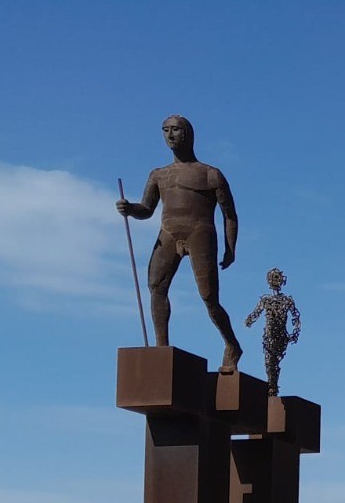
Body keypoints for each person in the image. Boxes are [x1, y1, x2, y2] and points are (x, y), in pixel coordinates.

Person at [116, 115, 242, 372]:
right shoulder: (159, 175)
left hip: (200, 233)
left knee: (209, 297)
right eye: (165, 130)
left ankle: (232, 344)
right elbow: (147, 209)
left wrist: (231, 248)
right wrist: (130, 208)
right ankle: (161, 348)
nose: (169, 135)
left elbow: (229, 215)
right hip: (168, 233)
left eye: (175, 130)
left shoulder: (210, 174)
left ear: (187, 134)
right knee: (156, 287)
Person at [245, 268, 302, 396]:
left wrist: (295, 333)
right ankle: (272, 386)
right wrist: (249, 320)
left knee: (273, 361)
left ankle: (273, 385)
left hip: (281, 336)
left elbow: (296, 317)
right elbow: (256, 313)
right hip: (269, 335)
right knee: (270, 361)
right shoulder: (266, 300)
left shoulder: (286, 301)